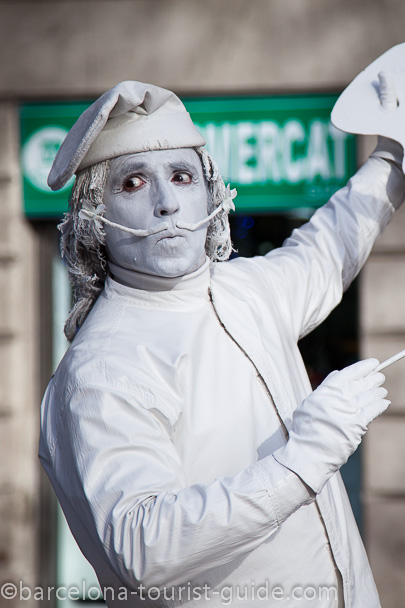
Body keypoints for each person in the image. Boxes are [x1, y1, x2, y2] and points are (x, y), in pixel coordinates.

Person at [39, 76, 405, 608]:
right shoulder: (102, 367)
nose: (166, 203)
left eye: (182, 176)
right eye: (133, 183)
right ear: (96, 217)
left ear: (210, 194)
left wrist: (393, 155)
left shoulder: (244, 290)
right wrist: (303, 459)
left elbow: (329, 245)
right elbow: (143, 547)